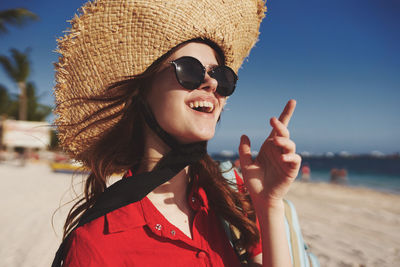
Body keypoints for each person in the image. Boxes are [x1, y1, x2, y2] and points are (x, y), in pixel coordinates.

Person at [52, 1, 301, 266]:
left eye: (222, 76)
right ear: (141, 92)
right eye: (190, 70)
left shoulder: (231, 194)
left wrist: (269, 204)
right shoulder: (97, 243)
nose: (212, 83)